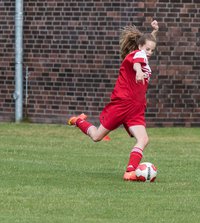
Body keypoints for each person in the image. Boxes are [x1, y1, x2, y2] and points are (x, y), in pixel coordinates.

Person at [67, 20, 159, 181]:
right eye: (147, 49)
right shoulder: (137, 55)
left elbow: (144, 51)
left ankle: (130, 172)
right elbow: (138, 62)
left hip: (136, 109)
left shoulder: (142, 54)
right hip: (122, 105)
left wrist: (154, 32)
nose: (150, 52)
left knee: (144, 139)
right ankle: (78, 121)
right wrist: (138, 72)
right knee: (96, 136)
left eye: (152, 50)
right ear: (140, 47)